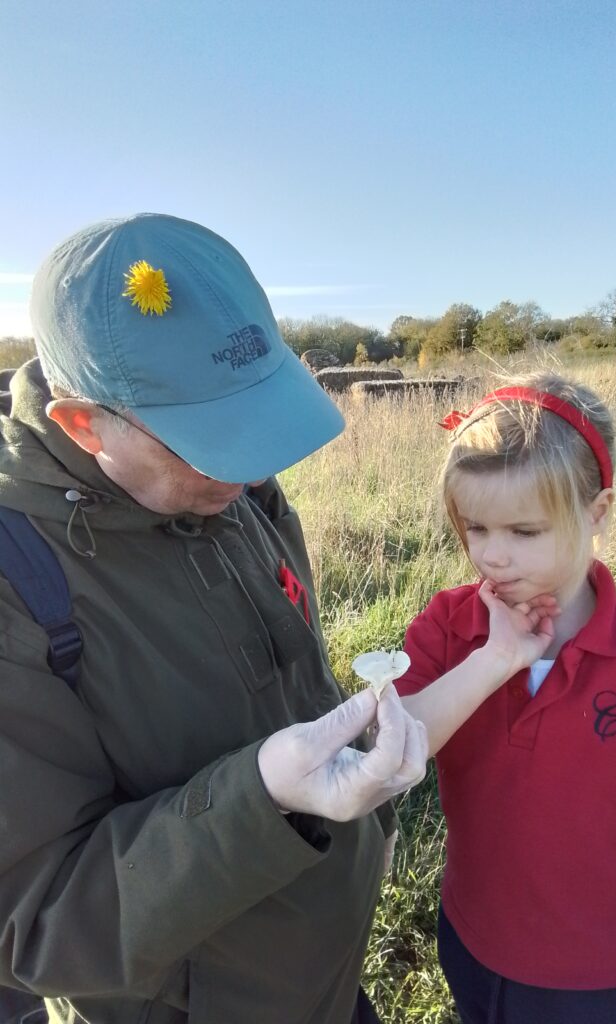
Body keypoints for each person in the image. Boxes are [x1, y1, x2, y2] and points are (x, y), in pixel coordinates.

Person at [0, 213, 428, 1024]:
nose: (249, 465)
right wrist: (259, 799)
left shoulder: (238, 493)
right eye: (207, 442)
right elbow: (35, 923)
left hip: (327, 987)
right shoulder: (16, 588)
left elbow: (292, 677)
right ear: (85, 424)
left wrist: (370, 797)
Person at [394, 373, 616, 1024]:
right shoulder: (448, 626)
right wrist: (492, 662)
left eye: (523, 531)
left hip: (593, 978)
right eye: (476, 526)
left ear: (596, 512)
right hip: (469, 942)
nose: (492, 556)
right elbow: (393, 743)